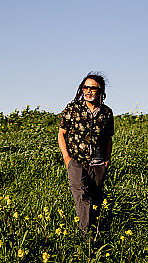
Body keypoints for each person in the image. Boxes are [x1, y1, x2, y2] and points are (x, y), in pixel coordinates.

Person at [58, 73, 114, 234]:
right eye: (85, 87)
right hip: (76, 160)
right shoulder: (72, 108)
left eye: (92, 88)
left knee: (95, 198)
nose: (88, 91)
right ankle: (86, 236)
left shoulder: (106, 112)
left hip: (98, 163)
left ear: (100, 91)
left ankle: (97, 234)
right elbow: (61, 133)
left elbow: (108, 138)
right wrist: (66, 158)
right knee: (82, 196)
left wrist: (107, 160)